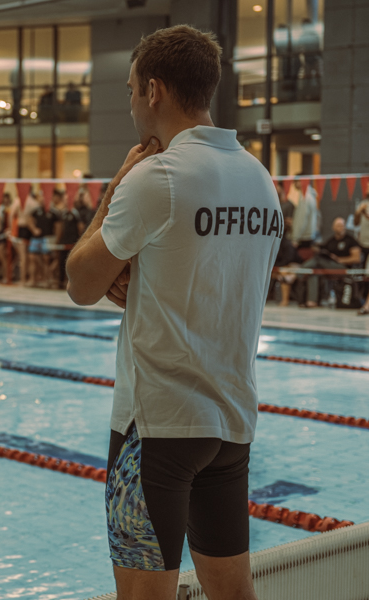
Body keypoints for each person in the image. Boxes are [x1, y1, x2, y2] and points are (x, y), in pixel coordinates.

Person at [65, 25, 281, 600]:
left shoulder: (155, 177)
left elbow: (80, 283)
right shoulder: (261, 181)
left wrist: (115, 186)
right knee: (234, 593)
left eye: (133, 88)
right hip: (231, 423)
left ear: (154, 91)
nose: (132, 102)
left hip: (155, 428)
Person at [297, 217, 362, 308]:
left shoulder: (350, 240)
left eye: (342, 225)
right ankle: (312, 301)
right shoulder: (331, 241)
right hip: (329, 266)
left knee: (318, 259)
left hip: (344, 268)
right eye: (338, 226)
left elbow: (356, 258)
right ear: (333, 227)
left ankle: (299, 272)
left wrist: (339, 259)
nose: (340, 228)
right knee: (313, 272)